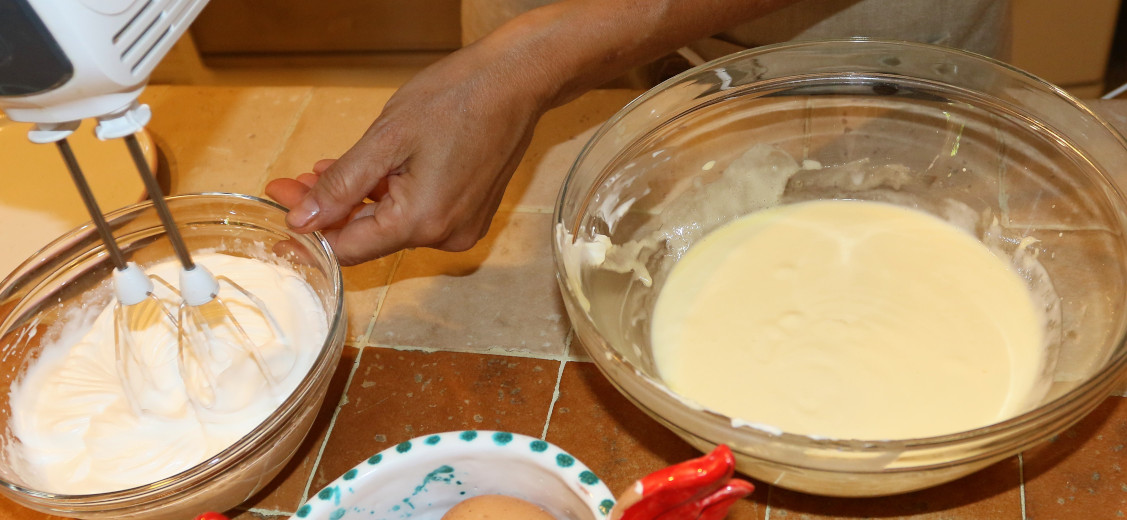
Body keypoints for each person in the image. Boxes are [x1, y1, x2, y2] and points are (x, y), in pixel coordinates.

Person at [265, 0, 1010, 266]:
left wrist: (535, 60)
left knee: (899, 214)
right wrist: (517, 65)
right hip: (534, 23)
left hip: (841, 27)